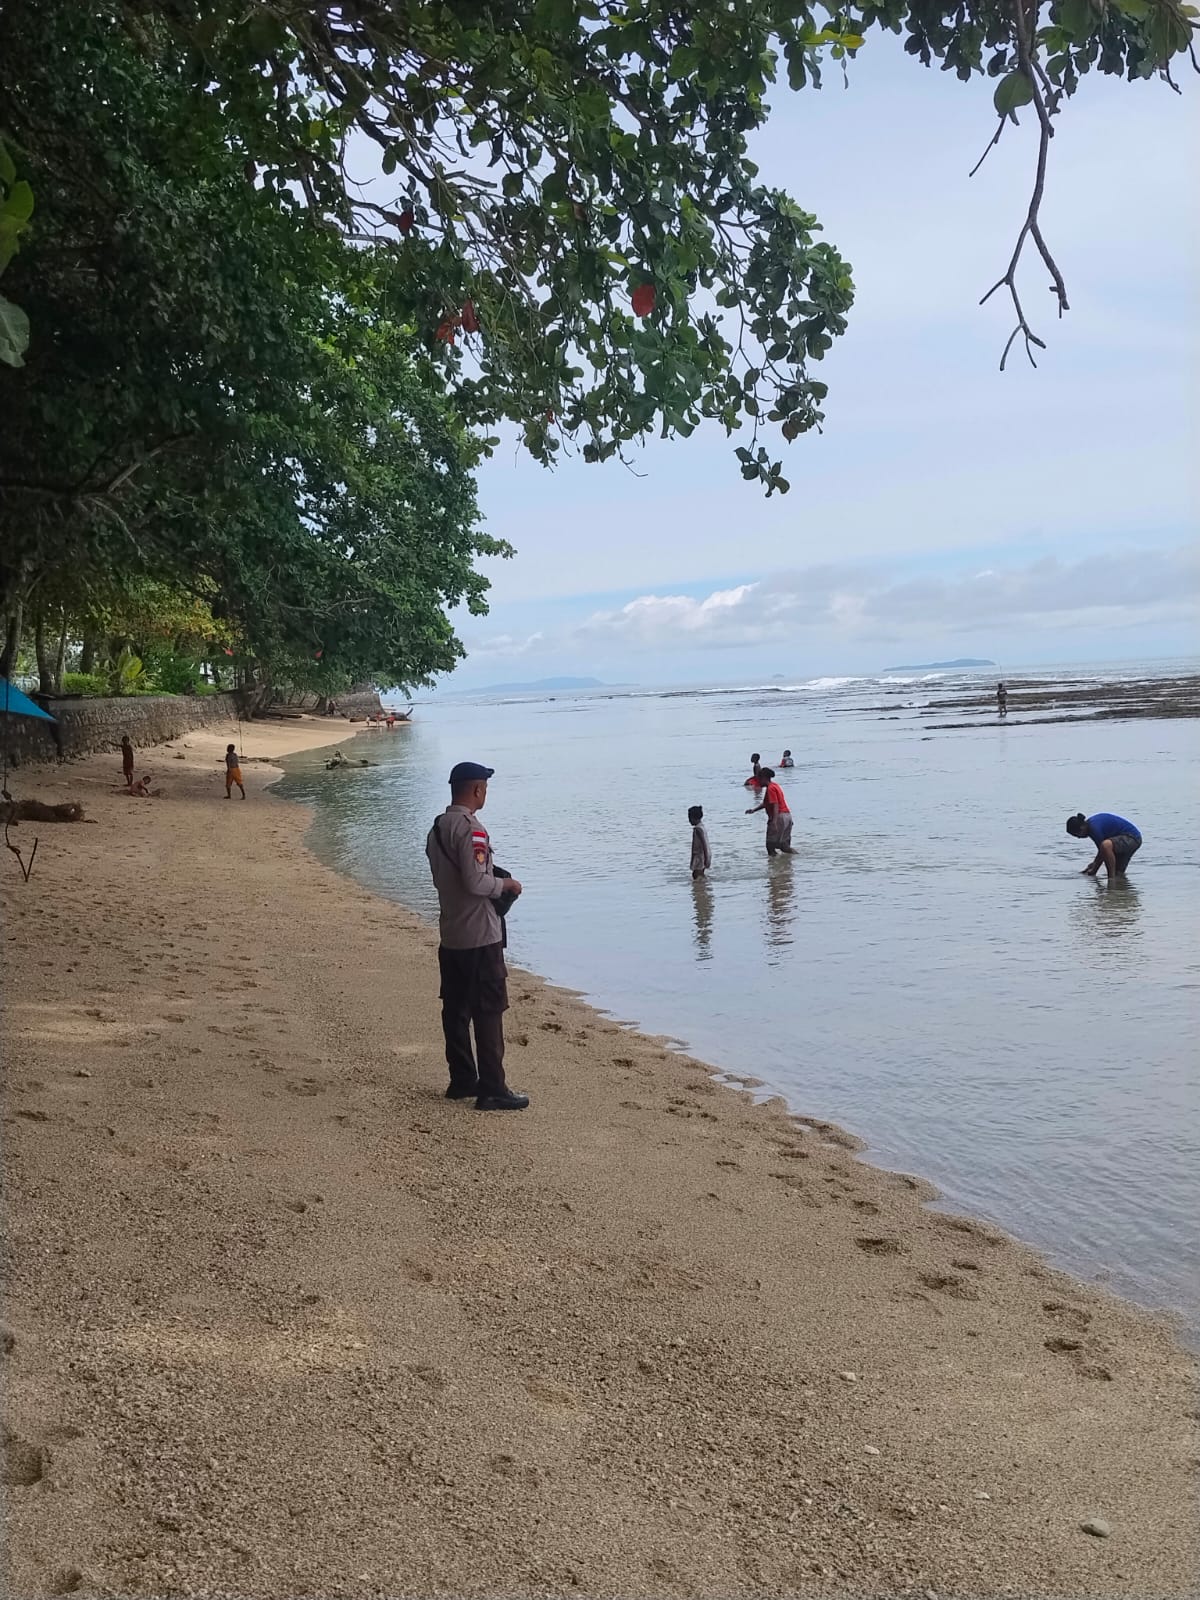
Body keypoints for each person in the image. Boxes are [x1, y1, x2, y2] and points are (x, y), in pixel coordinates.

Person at [426, 762, 528, 1111]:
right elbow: (476, 883)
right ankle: (493, 1088)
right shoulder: (473, 830)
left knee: (455, 1008)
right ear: (476, 790)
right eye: (484, 787)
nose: (485, 793)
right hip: (480, 934)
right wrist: (507, 885)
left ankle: (462, 1079)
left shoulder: (437, 828)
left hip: (451, 930)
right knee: (488, 1010)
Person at [1066, 811, 1141, 879]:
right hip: (1127, 840)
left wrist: (1094, 870)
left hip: (1131, 838)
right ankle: (1118, 888)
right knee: (1118, 873)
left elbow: (1103, 851)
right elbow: (1102, 853)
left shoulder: (1094, 828)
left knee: (1106, 845)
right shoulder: (1090, 826)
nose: (1079, 837)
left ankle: (1111, 879)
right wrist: (1094, 864)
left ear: (1082, 828)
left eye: (1077, 835)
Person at [746, 767, 794, 855]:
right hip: (787, 816)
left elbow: (775, 805)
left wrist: (774, 822)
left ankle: (773, 867)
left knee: (770, 847)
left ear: (764, 778)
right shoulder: (775, 786)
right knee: (785, 847)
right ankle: (797, 859)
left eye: (759, 779)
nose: (757, 782)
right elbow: (766, 804)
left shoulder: (770, 789)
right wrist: (753, 810)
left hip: (779, 817)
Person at [688, 804, 711, 879]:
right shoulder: (702, 826)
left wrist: (706, 858)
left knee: (696, 875)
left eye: (690, 818)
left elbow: (704, 843)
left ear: (694, 818)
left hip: (699, 856)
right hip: (703, 854)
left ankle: (701, 887)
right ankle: (703, 885)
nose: (689, 820)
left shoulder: (697, 829)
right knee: (699, 874)